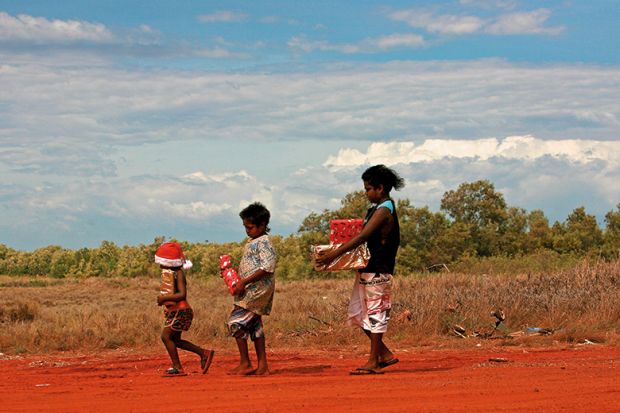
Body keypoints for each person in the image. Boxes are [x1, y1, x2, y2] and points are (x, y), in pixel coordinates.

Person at [316, 164, 404, 375]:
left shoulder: (384, 210)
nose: (366, 193)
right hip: (367, 268)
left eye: (368, 189)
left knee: (375, 312)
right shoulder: (376, 208)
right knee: (357, 312)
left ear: (380, 188)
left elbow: (363, 236)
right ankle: (384, 354)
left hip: (378, 269)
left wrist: (334, 255)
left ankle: (374, 361)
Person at [227, 202, 277, 376]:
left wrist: (243, 282)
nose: (247, 230)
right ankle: (262, 366)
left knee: (235, 322)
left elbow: (267, 267)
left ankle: (245, 363)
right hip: (250, 288)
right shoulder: (253, 241)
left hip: (257, 290)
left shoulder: (264, 242)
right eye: (245, 227)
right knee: (255, 325)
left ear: (262, 225)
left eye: (250, 227)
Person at [155, 241, 215, 377]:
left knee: (165, 337)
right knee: (175, 340)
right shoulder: (171, 274)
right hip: (177, 311)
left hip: (181, 311)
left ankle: (178, 367)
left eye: (162, 262)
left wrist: (164, 299)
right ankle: (203, 353)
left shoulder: (178, 273)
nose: (160, 265)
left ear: (169, 262)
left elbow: (182, 294)